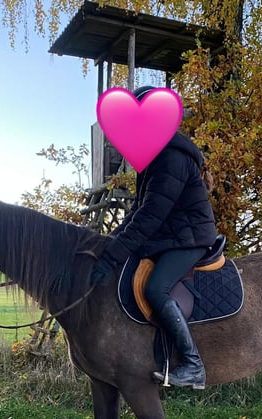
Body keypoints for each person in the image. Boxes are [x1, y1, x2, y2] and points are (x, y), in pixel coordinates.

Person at [90, 85, 218, 389]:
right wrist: (109, 244)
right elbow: (137, 210)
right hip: (171, 236)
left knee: (156, 288)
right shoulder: (151, 157)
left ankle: (193, 364)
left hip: (190, 238)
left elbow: (150, 216)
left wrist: (113, 256)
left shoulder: (170, 157)